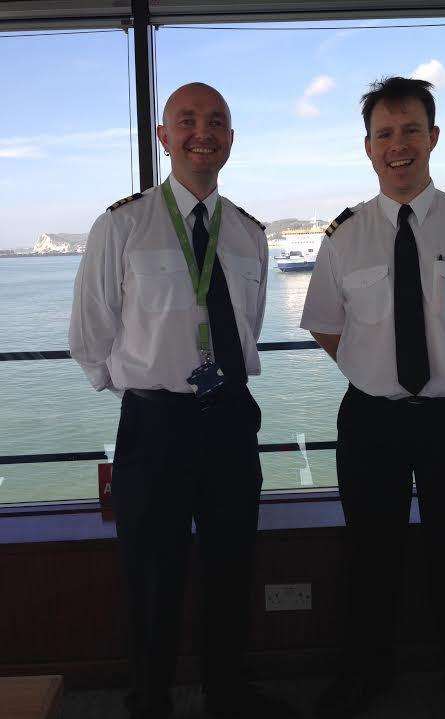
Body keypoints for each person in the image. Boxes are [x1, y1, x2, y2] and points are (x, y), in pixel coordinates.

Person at [300, 76, 445, 719]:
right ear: (368, 147)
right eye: (384, 134)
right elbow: (326, 324)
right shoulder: (344, 236)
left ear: (433, 138)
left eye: (410, 131)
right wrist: (374, 369)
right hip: (371, 417)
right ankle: (362, 676)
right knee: (369, 550)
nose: (397, 145)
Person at [69, 83, 297, 719]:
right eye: (188, 120)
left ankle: (228, 692)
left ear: (231, 138)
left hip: (230, 418)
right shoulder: (122, 225)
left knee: (232, 564)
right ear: (164, 136)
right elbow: (90, 333)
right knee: (151, 572)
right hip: (155, 423)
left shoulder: (250, 233)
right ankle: (151, 700)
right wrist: (145, 383)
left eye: (218, 121)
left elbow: (246, 323)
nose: (204, 131)